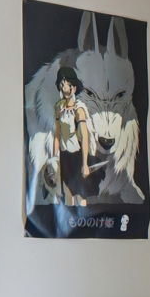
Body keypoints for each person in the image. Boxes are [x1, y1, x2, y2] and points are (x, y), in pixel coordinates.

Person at [53, 64, 94, 204]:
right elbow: (57, 134)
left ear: (74, 87)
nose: (65, 88)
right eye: (62, 84)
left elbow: (85, 138)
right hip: (64, 156)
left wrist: (85, 164)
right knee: (67, 194)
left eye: (68, 85)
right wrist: (54, 159)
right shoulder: (59, 107)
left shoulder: (79, 109)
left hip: (77, 156)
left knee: (80, 195)